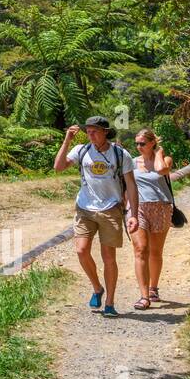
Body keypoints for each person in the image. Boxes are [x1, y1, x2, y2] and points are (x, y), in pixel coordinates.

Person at [54, 115, 139, 317]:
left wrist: (133, 214)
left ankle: (109, 302)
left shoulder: (120, 154)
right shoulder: (82, 150)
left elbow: (132, 185)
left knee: (108, 257)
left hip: (111, 209)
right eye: (88, 131)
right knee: (81, 251)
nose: (90, 135)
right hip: (84, 208)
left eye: (94, 131)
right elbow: (58, 167)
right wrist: (67, 140)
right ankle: (97, 287)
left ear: (105, 132)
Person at [129, 127, 175, 309]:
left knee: (156, 252)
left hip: (161, 207)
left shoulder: (165, 160)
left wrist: (159, 152)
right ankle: (143, 296)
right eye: (137, 144)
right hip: (139, 207)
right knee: (141, 249)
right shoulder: (131, 163)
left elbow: (161, 169)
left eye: (142, 143)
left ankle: (153, 288)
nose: (139, 147)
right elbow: (127, 186)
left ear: (152, 143)